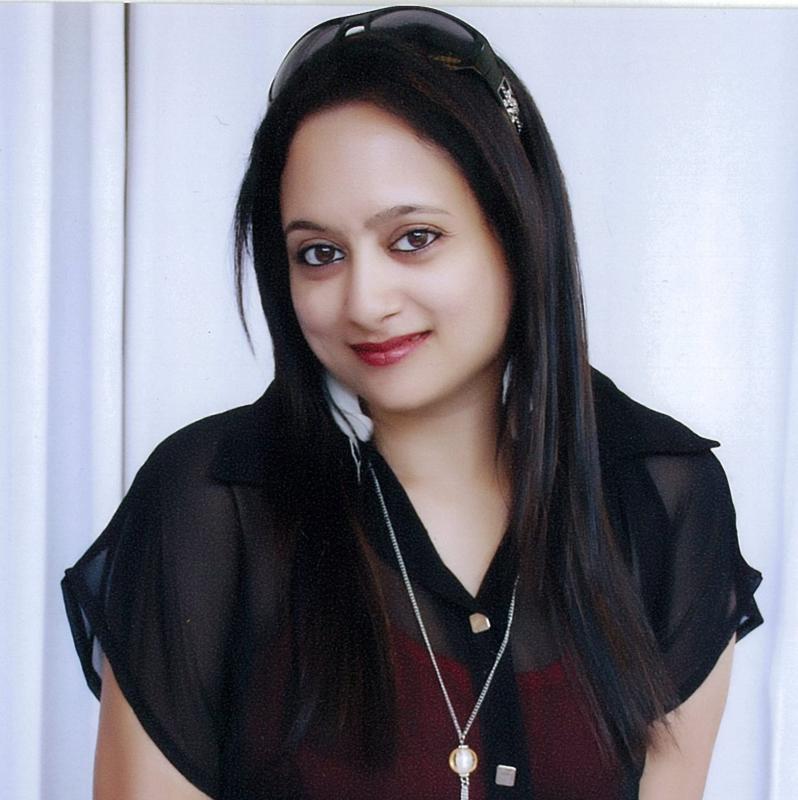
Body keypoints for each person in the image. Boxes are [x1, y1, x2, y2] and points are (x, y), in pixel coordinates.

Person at [62, 7, 763, 800]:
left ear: (516, 229)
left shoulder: (659, 499)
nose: (365, 300)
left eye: (414, 239)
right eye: (319, 254)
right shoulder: (213, 504)